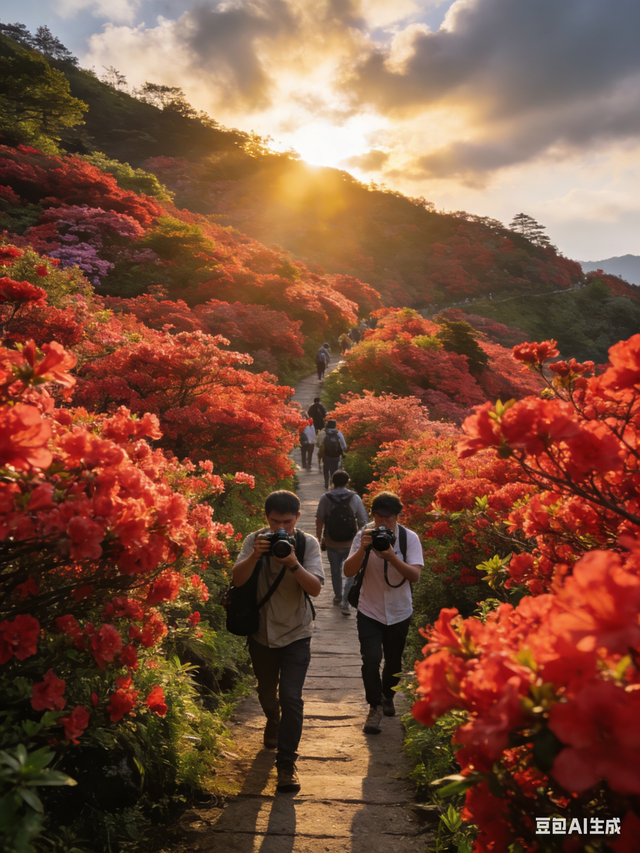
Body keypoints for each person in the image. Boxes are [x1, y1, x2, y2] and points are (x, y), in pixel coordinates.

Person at [232, 491, 323, 793]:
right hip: (262, 634)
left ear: (298, 517)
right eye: (274, 522)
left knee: (292, 698)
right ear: (266, 518)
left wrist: (294, 564)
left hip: (297, 632)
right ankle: (273, 718)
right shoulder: (255, 540)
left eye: (286, 521)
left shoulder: (308, 544)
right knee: (266, 693)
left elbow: (316, 589)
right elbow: (237, 580)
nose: (280, 528)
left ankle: (286, 764)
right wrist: (256, 555)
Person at [343, 491, 423, 735]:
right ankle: (374, 706)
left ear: (398, 516)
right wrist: (363, 549)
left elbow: (415, 576)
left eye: (389, 519)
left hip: (399, 610)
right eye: (379, 518)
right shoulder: (363, 536)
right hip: (370, 608)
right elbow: (348, 571)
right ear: (373, 516)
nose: (383, 523)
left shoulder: (409, 539)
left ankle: (388, 695)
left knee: (394, 661)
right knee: (370, 659)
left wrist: (390, 556)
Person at [315, 470, 368, 615]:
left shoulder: (325, 498)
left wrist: (319, 538)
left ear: (333, 481)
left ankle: (338, 596)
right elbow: (363, 520)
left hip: (332, 541)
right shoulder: (354, 497)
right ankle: (346, 600)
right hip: (351, 542)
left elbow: (319, 519)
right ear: (348, 481)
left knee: (335, 570)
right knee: (351, 572)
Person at [315, 418, 347, 489]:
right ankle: (333, 483)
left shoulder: (322, 433)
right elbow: (344, 446)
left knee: (326, 468)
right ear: (335, 426)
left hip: (326, 455)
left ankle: (326, 483)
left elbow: (317, 444)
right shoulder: (338, 434)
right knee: (335, 470)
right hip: (336, 456)